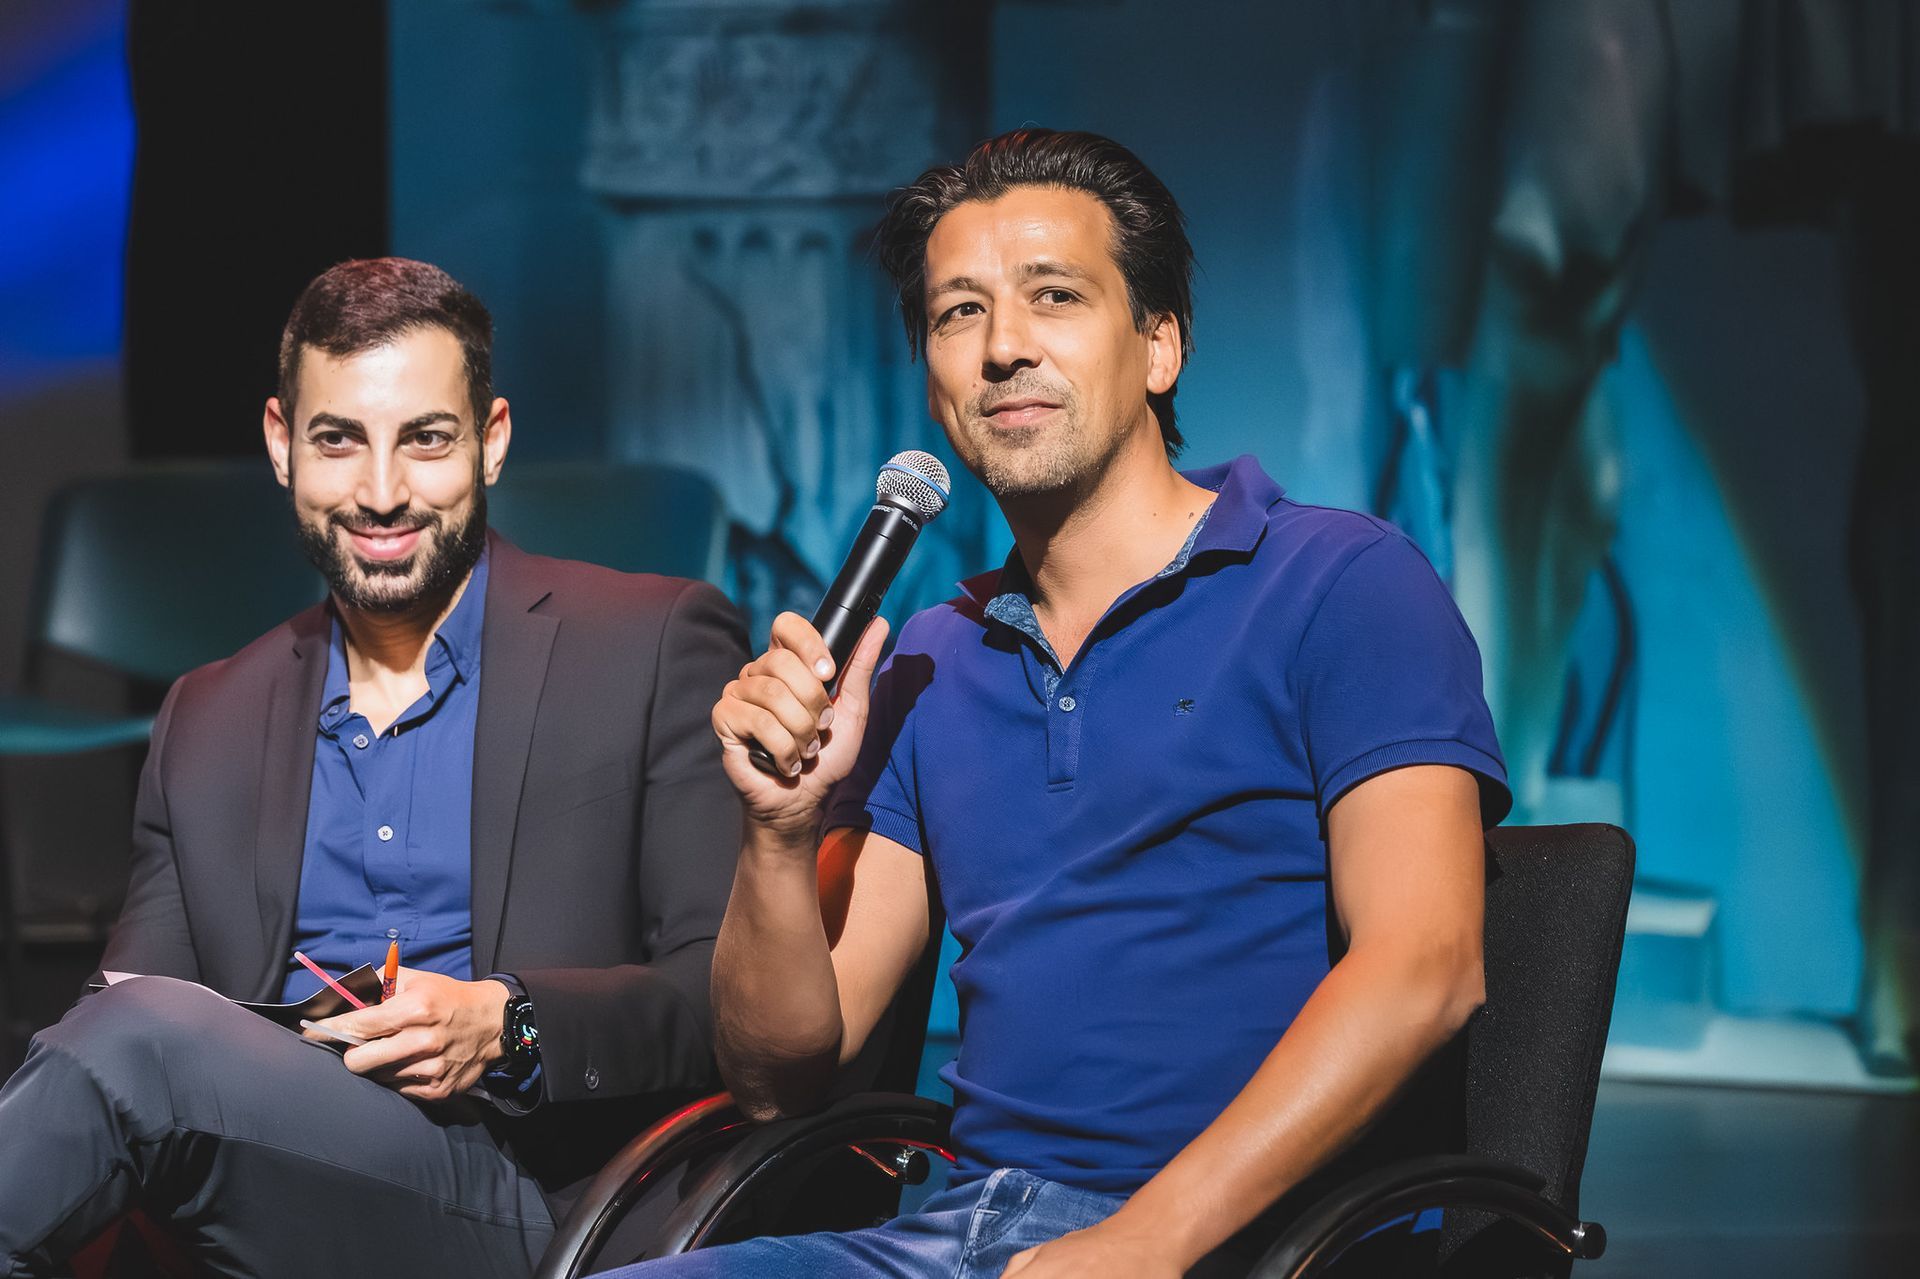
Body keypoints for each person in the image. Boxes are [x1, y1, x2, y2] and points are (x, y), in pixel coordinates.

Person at [605, 129, 1512, 1279]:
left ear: (1159, 345)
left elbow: (1428, 964)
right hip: (954, 1233)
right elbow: (784, 1075)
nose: (1003, 349)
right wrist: (777, 831)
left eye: (1056, 297)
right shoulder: (930, 660)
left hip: (1257, 1242)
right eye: (958, 313)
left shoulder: (1341, 582)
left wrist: (1144, 1239)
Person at [0, 258, 748, 1275]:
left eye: (426, 439)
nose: (383, 493)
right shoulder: (209, 714)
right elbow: (133, 1006)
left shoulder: (651, 642)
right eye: (339, 441)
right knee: (123, 1031)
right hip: (268, 1190)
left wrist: (509, 1022)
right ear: (281, 445)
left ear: (490, 442)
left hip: (542, 1195)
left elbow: (721, 997)